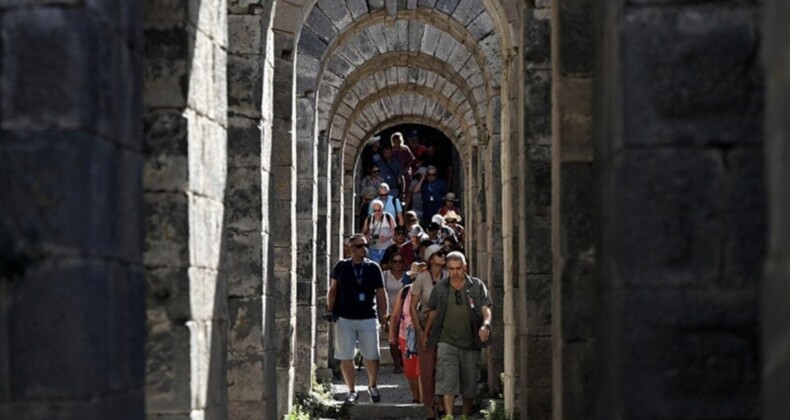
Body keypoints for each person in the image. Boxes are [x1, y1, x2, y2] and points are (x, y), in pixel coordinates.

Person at [422, 251, 492, 419]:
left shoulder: (476, 285)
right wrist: (426, 334)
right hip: (446, 341)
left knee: (469, 384)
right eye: (451, 269)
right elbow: (433, 312)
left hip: (471, 341)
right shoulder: (440, 287)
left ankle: (465, 416)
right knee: (447, 380)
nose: (455, 272)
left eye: (458, 268)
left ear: (465, 267)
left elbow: (485, 308)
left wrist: (486, 324)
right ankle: (449, 415)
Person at [325, 234, 389, 404]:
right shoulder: (341, 266)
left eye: (365, 245)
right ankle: (351, 390)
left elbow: (381, 293)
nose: (363, 249)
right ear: (351, 249)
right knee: (346, 356)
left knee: (372, 355)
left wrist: (385, 316)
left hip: (368, 315)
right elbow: (333, 289)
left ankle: (372, 385)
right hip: (345, 316)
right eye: (359, 246)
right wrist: (330, 308)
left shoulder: (373, 268)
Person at [409, 244, 448, 419]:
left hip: (447, 327)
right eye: (439, 254)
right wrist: (419, 329)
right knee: (427, 369)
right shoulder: (422, 278)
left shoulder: (449, 275)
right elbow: (412, 306)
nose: (443, 256)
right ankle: (429, 406)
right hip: (426, 327)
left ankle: (441, 403)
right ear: (431, 258)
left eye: (444, 253)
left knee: (444, 367)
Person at [388, 270, 423, 404]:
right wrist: (392, 334)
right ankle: (416, 397)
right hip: (407, 335)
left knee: (422, 368)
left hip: (426, 332)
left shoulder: (431, 290)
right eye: (414, 277)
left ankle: (425, 401)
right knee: (410, 370)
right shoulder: (404, 292)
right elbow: (395, 315)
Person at [383, 253, 410, 374]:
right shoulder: (385, 276)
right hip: (390, 310)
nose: (397, 264)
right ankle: (397, 364)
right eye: (394, 261)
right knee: (392, 338)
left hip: (404, 311)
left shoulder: (407, 277)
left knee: (404, 338)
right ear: (390, 263)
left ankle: (404, 361)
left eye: (400, 261)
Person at [362, 199, 396, 264]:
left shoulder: (388, 217)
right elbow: (363, 232)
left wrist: (388, 236)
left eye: (379, 210)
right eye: (375, 210)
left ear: (382, 209)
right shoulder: (369, 219)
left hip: (387, 249)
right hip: (373, 249)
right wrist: (366, 238)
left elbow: (395, 231)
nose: (377, 212)